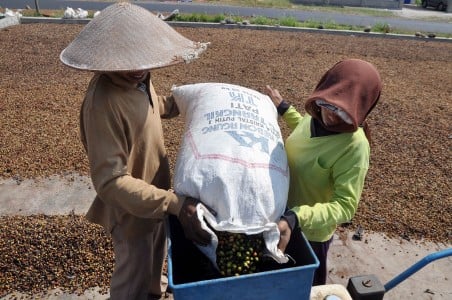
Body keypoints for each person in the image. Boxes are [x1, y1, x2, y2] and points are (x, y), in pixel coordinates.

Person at [59, 3, 211, 299]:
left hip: (155, 202)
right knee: (132, 280)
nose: (138, 69)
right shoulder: (104, 103)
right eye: (128, 63)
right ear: (107, 60)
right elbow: (111, 182)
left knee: (154, 266)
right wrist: (174, 204)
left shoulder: (139, 82)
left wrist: (188, 101)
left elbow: (154, 106)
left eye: (143, 60)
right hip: (132, 212)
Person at [265, 58, 382, 286]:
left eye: (342, 113)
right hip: (282, 215)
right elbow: (304, 130)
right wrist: (284, 108)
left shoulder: (354, 147)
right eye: (328, 105)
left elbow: (346, 207)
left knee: (304, 286)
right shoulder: (317, 113)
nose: (331, 115)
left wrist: (296, 217)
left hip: (310, 234)